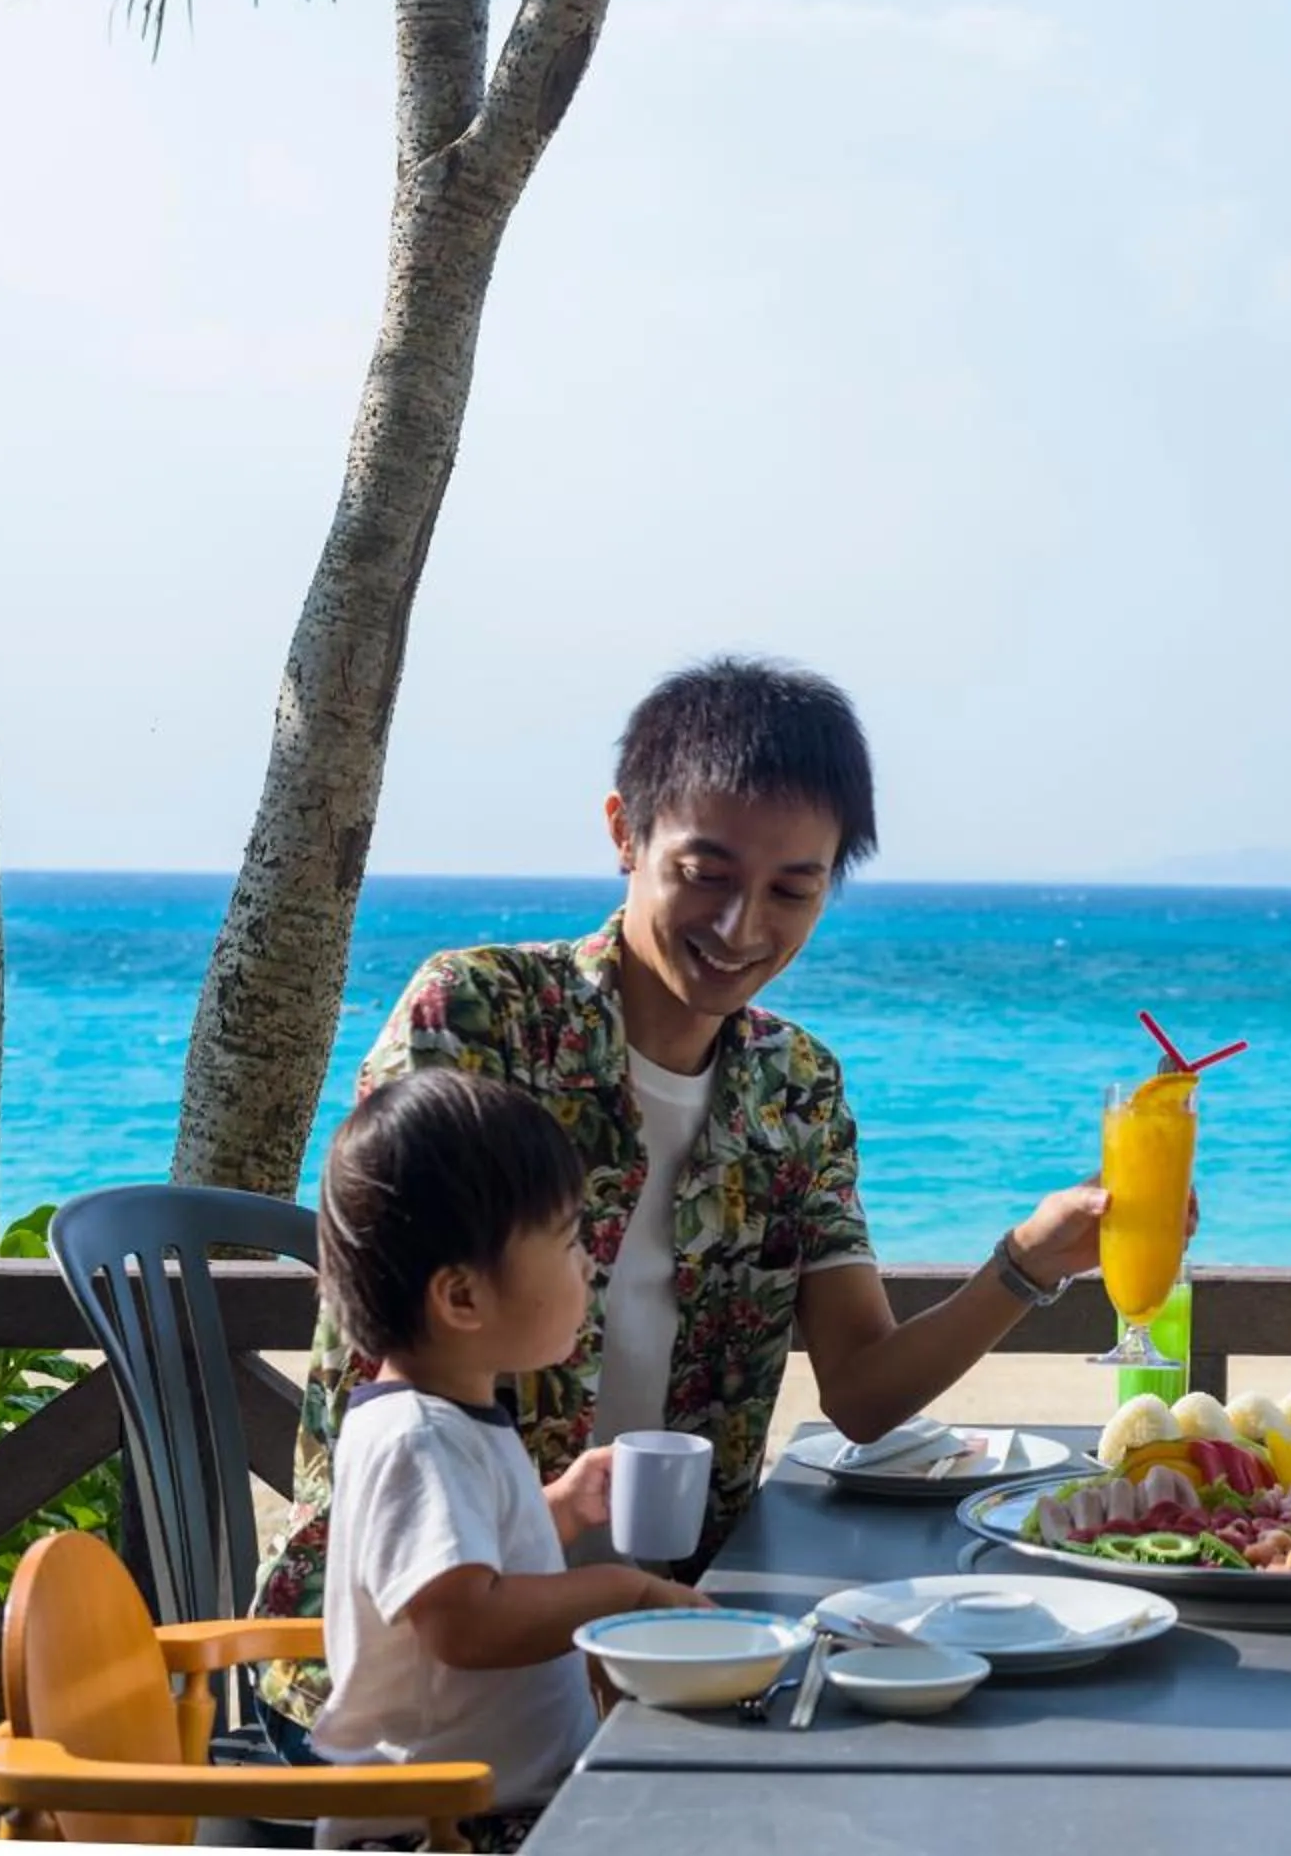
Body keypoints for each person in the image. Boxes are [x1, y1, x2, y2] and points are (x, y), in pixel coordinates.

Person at [255, 656, 1131, 1738]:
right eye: (706, 873)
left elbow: (862, 1394)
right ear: (625, 833)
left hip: (688, 1646)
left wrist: (1029, 1261)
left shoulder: (795, 1086)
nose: (742, 926)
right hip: (417, 1692)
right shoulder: (480, 1015)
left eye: (792, 891)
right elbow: (390, 1334)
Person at [307, 1067, 712, 1851]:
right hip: (444, 1828)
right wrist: (622, 1593)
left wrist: (558, 1509)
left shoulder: (436, 1420)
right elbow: (464, 1624)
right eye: (566, 1241)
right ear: (461, 1298)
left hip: (494, 1806)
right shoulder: (420, 1438)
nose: (587, 1265)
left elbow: (463, 1567)